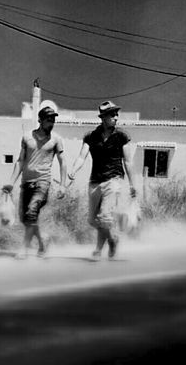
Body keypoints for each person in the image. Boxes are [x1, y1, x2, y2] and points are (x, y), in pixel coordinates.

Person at [70, 101, 137, 261]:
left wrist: (133, 183)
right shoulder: (91, 137)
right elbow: (81, 156)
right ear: (103, 118)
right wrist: (73, 170)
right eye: (112, 115)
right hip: (95, 181)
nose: (116, 117)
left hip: (114, 180)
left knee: (105, 216)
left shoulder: (122, 136)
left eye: (116, 114)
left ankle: (98, 251)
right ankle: (112, 240)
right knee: (93, 220)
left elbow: (128, 161)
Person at [2, 101, 69, 259]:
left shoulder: (56, 140)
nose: (51, 123)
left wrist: (63, 185)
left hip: (43, 183)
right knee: (26, 219)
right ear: (40, 120)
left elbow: (63, 161)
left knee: (32, 212)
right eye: (48, 120)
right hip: (26, 183)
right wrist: (11, 182)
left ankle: (24, 249)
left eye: (53, 120)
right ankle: (42, 242)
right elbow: (20, 161)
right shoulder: (27, 138)